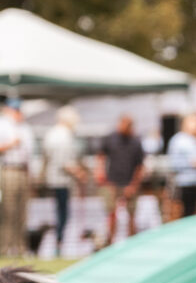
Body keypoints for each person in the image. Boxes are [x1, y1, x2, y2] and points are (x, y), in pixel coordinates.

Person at [0, 97, 36, 257]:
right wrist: (10, 144)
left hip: (23, 170)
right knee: (8, 210)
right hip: (8, 168)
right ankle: (6, 247)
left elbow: (30, 153)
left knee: (22, 211)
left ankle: (21, 247)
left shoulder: (25, 127)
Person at [43, 106, 87, 249]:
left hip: (53, 178)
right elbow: (65, 162)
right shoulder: (64, 136)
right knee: (62, 212)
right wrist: (79, 173)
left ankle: (59, 240)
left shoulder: (51, 133)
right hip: (61, 180)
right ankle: (59, 240)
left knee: (59, 211)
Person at [97, 115, 145, 244]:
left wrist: (133, 186)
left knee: (131, 215)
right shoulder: (110, 139)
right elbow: (101, 157)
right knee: (112, 214)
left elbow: (140, 167)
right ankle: (110, 243)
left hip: (129, 184)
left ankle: (131, 243)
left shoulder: (136, 142)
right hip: (112, 183)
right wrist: (100, 173)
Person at [167, 114, 196, 218]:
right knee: (185, 213)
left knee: (193, 213)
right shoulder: (178, 140)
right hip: (184, 183)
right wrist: (191, 164)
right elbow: (173, 164)